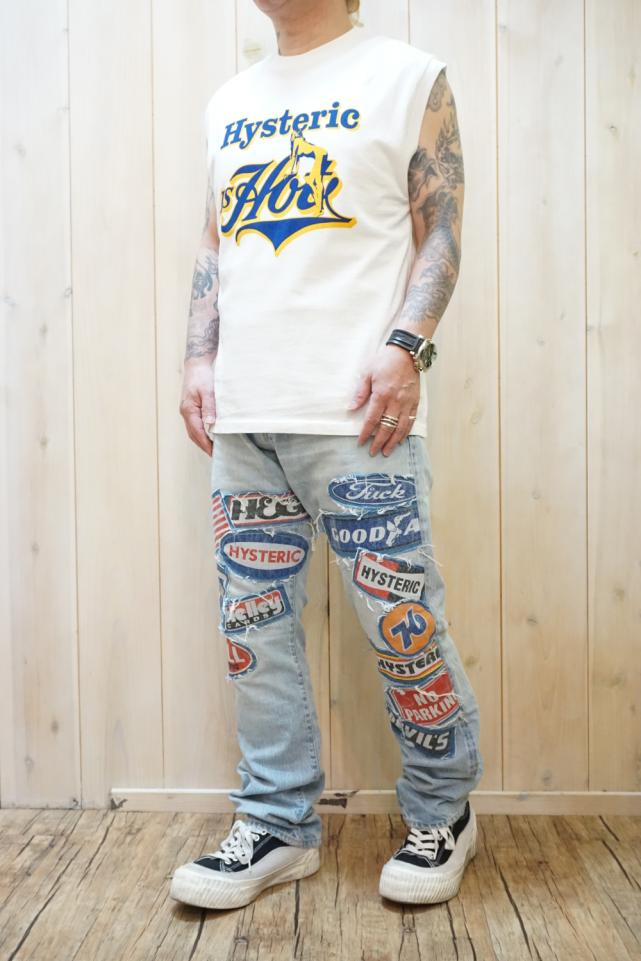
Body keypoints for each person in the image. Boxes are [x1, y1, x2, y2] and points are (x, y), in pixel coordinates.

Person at [171, 0, 484, 911]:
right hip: (246, 415)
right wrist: (198, 356)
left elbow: (441, 225)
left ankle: (443, 810)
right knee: (254, 635)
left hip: (358, 414)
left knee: (401, 623)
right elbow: (215, 241)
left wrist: (407, 345)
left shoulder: (406, 77)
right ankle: (277, 823)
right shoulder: (229, 101)